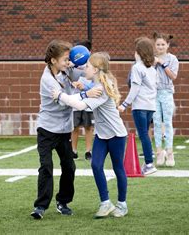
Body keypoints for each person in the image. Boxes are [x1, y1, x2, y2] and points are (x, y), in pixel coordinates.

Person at [31, 40, 101, 220]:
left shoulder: (67, 70)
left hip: (64, 130)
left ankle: (63, 202)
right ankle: (40, 206)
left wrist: (79, 63)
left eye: (68, 59)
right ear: (53, 61)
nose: (67, 62)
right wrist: (86, 93)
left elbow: (89, 73)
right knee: (46, 167)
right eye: (64, 59)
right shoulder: (47, 79)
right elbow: (65, 100)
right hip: (47, 129)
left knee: (69, 167)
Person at [53, 52, 128, 218]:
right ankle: (105, 203)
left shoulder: (101, 88)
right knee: (95, 165)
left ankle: (122, 204)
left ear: (95, 70)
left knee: (118, 168)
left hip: (116, 134)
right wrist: (85, 88)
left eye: (87, 66)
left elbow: (80, 105)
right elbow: (90, 89)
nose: (84, 68)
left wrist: (60, 95)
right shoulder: (96, 84)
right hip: (102, 134)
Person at [118, 37, 157, 175]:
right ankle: (149, 162)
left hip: (140, 106)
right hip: (150, 106)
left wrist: (124, 104)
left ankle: (149, 163)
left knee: (143, 135)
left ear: (139, 52)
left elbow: (134, 89)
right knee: (145, 134)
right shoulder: (152, 69)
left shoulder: (136, 68)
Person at [152, 32, 179, 167]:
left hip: (167, 92)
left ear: (168, 45)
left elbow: (173, 76)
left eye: (163, 44)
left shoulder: (172, 59)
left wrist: (162, 64)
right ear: (154, 45)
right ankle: (159, 151)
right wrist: (153, 63)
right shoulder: (151, 58)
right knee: (156, 123)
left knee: (167, 123)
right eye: (158, 44)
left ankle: (169, 152)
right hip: (153, 94)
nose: (160, 47)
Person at [71, 40, 95, 161]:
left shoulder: (92, 66)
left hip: (88, 101)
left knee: (88, 126)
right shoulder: (72, 66)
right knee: (74, 127)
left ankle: (88, 151)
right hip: (75, 101)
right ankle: (73, 150)